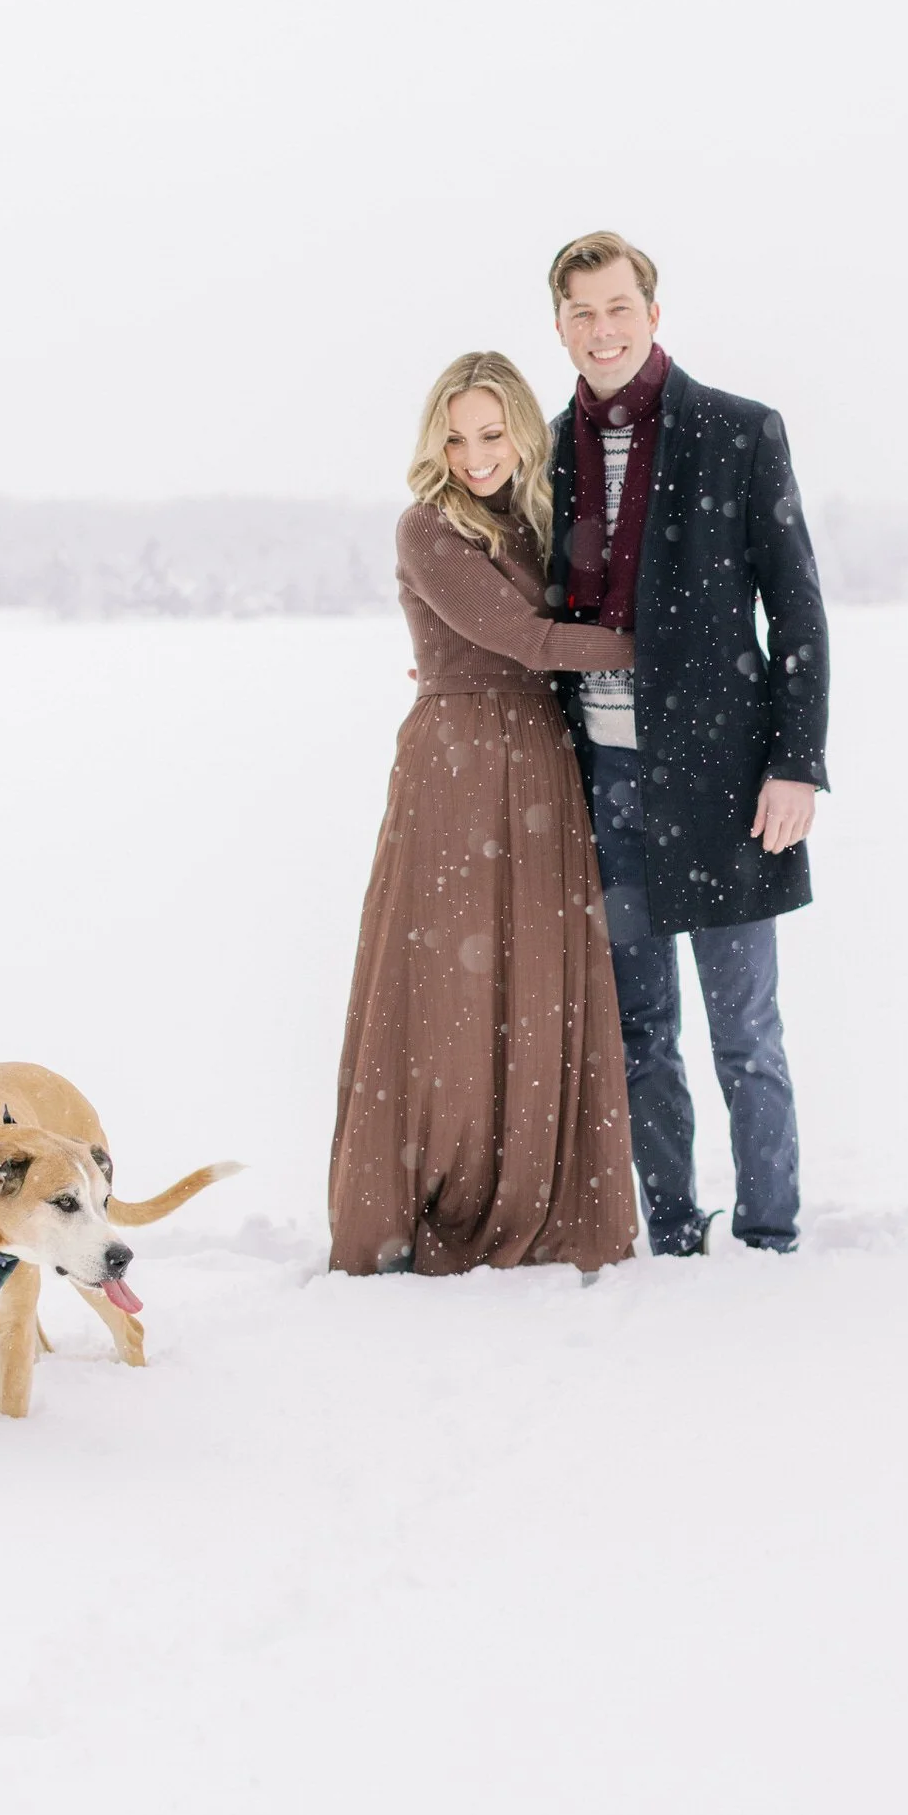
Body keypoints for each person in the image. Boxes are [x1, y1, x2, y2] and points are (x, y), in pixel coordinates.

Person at [544, 234, 830, 1256]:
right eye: (580, 313)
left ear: (652, 313)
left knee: (745, 1030)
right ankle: (669, 1226)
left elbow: (796, 607)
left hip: (723, 781)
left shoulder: (735, 431)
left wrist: (797, 761)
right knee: (638, 1032)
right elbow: (525, 606)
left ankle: (767, 1232)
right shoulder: (546, 450)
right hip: (602, 783)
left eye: (617, 307)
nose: (601, 329)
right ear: (561, 326)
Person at [328, 352, 640, 1276]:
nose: (474, 455)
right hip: (456, 764)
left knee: (535, 978)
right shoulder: (426, 526)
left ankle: (538, 1193)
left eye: (493, 434)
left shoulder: (541, 519)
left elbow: (551, 637)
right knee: (448, 993)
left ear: (522, 434)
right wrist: (659, 645)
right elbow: (531, 640)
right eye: (456, 437)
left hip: (541, 755)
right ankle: (439, 1192)